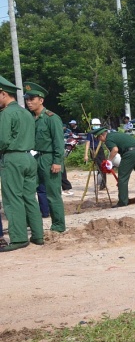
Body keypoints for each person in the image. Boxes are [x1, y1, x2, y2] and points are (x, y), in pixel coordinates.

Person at [0, 75, 43, 252]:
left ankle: (18, 239)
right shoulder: (26, 113)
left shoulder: (6, 114)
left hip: (12, 158)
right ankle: (38, 235)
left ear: (3, 94)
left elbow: (2, 140)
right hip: (28, 157)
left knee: (12, 199)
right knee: (29, 198)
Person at [23, 82, 65, 233]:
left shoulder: (51, 118)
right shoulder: (31, 118)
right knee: (27, 190)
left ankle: (58, 226)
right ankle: (32, 224)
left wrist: (57, 161)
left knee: (53, 194)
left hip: (49, 158)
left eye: (31, 99)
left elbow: (59, 142)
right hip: (35, 157)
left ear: (41, 100)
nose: (29, 102)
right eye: (27, 99)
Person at [91, 126, 135, 207]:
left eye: (99, 138)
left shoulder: (108, 140)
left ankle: (123, 201)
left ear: (101, 136)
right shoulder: (115, 134)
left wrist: (109, 161)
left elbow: (115, 150)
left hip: (130, 153)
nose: (99, 140)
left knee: (122, 177)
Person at [83, 118, 107, 191]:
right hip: (93, 150)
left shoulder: (101, 132)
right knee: (99, 167)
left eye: (97, 125)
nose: (96, 126)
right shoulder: (90, 133)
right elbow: (87, 143)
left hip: (100, 150)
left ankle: (103, 184)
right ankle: (100, 183)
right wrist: (86, 154)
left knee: (103, 166)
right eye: (95, 125)